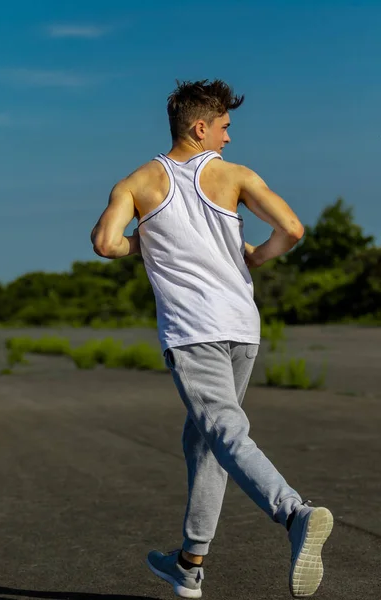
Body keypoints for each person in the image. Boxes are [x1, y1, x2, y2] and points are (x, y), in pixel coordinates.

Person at [90, 79, 334, 599]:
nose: (228, 138)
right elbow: (291, 228)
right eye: (224, 128)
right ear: (200, 127)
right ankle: (189, 564)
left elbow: (107, 244)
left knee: (222, 431)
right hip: (242, 327)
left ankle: (295, 514)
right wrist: (253, 257)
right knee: (204, 439)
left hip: (193, 330)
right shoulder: (235, 176)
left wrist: (147, 241)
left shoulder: (136, 184)